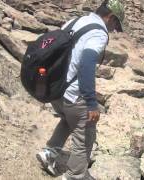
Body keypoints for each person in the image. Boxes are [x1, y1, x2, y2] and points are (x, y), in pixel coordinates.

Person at [37, 0, 124, 179]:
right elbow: (86, 64)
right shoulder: (99, 33)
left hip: (55, 88)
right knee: (86, 133)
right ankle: (74, 176)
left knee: (69, 120)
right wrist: (92, 103)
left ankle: (49, 153)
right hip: (73, 93)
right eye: (116, 24)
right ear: (110, 17)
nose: (115, 29)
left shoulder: (75, 21)